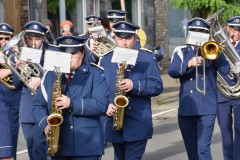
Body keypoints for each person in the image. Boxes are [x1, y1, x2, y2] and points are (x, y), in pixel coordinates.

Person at [32, 35, 109, 160]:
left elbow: (101, 104)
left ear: (82, 53)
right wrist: (46, 124)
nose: (69, 58)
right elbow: (38, 105)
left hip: (87, 144)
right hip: (59, 143)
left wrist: (72, 103)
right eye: (65, 54)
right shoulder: (50, 75)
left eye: (73, 54)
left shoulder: (95, 73)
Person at [168, 17, 230, 160]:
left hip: (207, 108)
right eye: (195, 31)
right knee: (192, 152)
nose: (198, 34)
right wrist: (189, 63)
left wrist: (216, 54)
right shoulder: (181, 52)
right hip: (186, 109)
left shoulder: (212, 51)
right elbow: (172, 71)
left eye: (202, 32)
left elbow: (225, 70)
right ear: (189, 33)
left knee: (203, 150)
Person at [100, 21, 163, 160]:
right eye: (120, 38)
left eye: (128, 38)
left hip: (138, 121)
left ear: (135, 38)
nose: (124, 43)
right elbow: (100, 89)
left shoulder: (147, 58)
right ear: (114, 38)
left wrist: (135, 85)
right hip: (114, 122)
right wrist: (106, 105)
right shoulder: (106, 60)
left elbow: (157, 86)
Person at [18, 21, 49, 160]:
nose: (33, 42)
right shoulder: (21, 53)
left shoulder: (52, 52)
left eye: (37, 38)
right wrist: (18, 68)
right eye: (30, 38)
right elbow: (15, 83)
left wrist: (41, 79)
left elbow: (60, 77)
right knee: (31, 147)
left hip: (44, 108)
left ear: (43, 38)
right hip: (27, 107)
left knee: (41, 148)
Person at [217, 15, 240, 160]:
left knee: (239, 131)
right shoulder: (219, 46)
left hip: (239, 96)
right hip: (222, 95)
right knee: (225, 132)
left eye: (239, 30)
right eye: (234, 29)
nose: (237, 32)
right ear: (227, 28)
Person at [0, 23, 22, 160]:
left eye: (6, 38)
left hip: (12, 102)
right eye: (0, 38)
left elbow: (19, 79)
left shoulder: (17, 56)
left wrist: (9, 70)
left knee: (11, 140)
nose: (3, 41)